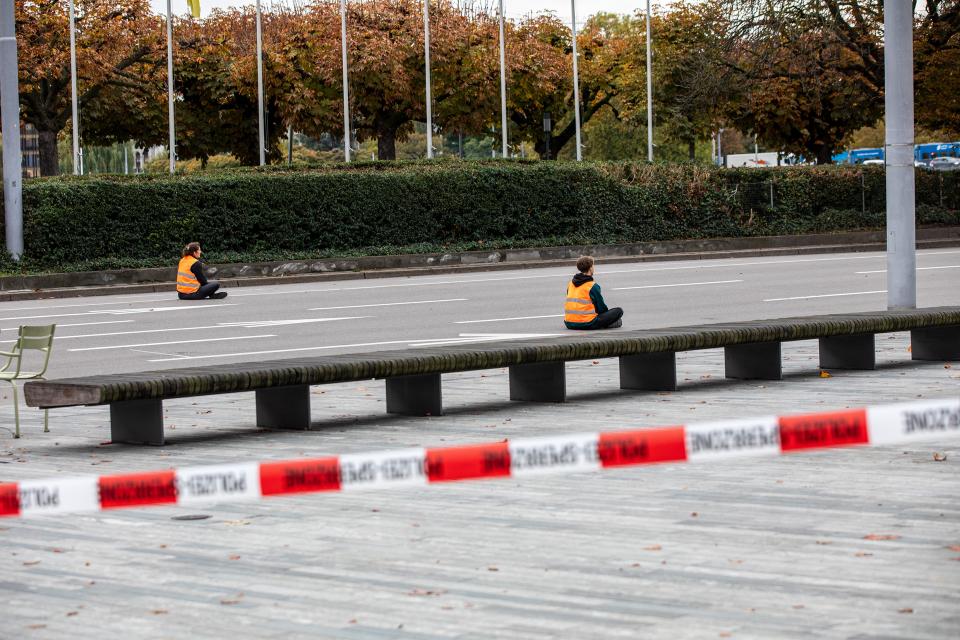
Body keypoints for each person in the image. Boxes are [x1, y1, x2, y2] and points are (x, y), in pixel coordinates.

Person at [564, 255, 623, 330]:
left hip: (569, 323)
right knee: (618, 311)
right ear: (590, 268)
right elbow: (601, 308)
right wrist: (607, 318)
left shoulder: (570, 284)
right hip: (587, 323)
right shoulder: (592, 286)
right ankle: (608, 324)